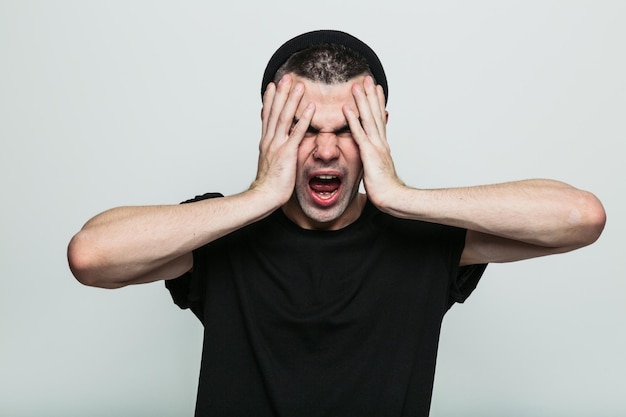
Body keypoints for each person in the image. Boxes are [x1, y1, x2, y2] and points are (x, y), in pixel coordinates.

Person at [67, 30, 606, 416]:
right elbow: (91, 255)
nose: (325, 150)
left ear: (379, 129)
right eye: (302, 129)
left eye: (347, 129)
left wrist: (397, 194)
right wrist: (259, 195)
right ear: (270, 127)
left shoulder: (424, 235)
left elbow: (580, 217)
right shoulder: (218, 230)